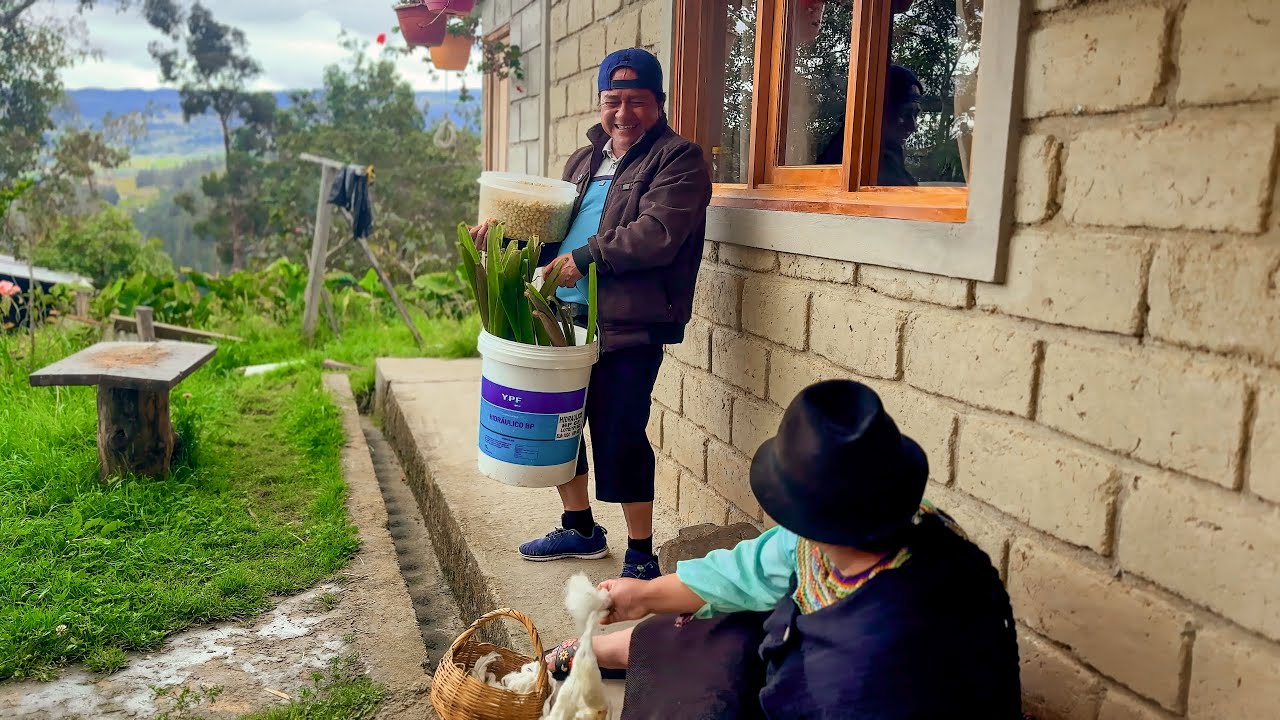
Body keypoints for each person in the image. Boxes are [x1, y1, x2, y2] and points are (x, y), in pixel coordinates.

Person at [544, 380, 1023, 718]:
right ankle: (613, 652)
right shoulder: (862, 530)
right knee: (714, 625)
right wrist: (642, 596)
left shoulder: (877, 651)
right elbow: (749, 571)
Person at [470, 48, 713, 580]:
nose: (623, 113)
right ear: (600, 104)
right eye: (613, 101)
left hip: (629, 322)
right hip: (563, 319)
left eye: (636, 101)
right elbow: (552, 237)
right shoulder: (582, 163)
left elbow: (658, 234)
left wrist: (585, 260)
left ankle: (641, 554)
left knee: (620, 430)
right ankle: (580, 528)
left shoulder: (679, 158)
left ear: (659, 103)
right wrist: (502, 241)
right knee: (563, 425)